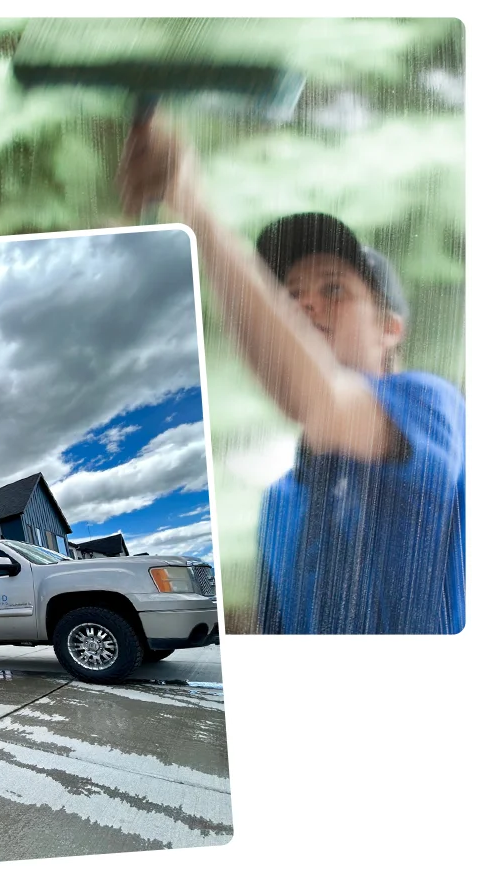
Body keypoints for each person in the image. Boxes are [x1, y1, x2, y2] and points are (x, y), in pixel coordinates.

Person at [116, 120, 465, 634]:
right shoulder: (281, 499)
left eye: (334, 289)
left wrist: (188, 201)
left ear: (390, 327)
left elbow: (320, 402)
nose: (304, 303)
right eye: (290, 293)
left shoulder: (434, 405)